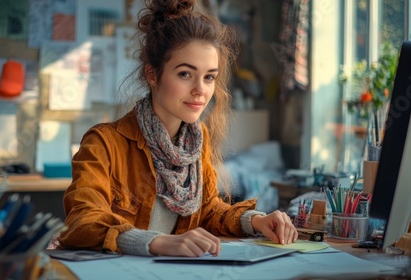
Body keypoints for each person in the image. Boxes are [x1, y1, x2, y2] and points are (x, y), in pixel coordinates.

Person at [58, 0, 298, 257]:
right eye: (185, 74)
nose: (200, 90)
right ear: (152, 74)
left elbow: (208, 210)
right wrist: (156, 242)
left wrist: (256, 221)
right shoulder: (103, 143)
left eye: (209, 77)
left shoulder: (196, 140)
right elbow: (82, 221)